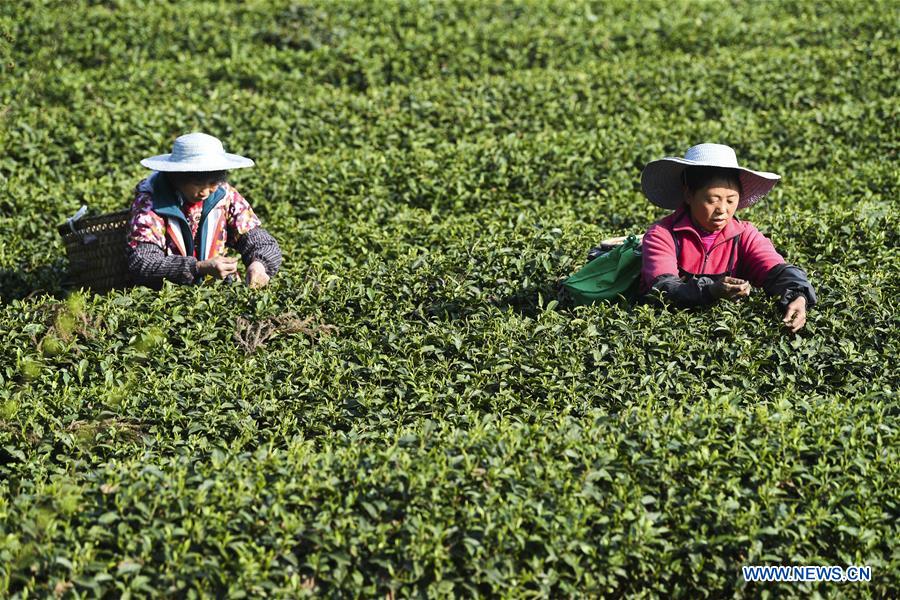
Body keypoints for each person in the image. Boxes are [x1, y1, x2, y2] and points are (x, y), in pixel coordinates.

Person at [639, 143, 816, 332]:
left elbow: (777, 271)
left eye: (731, 200)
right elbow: (663, 289)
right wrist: (711, 290)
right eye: (712, 200)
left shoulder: (745, 235)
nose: (723, 210)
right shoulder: (662, 235)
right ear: (689, 195)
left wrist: (799, 296)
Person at [126, 132, 282, 289]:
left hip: (218, 291)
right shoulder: (151, 203)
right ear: (176, 177)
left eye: (213, 183)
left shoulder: (225, 195)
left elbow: (262, 242)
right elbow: (143, 263)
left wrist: (259, 266)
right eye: (197, 184)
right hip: (166, 296)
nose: (205, 192)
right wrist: (199, 267)